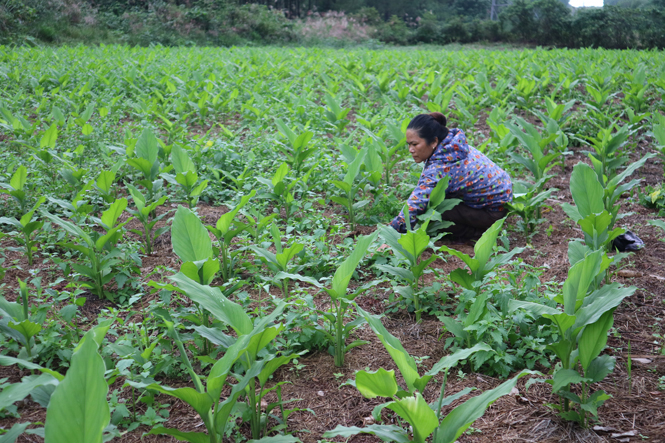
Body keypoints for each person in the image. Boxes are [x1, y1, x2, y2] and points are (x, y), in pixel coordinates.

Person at [389, 112, 512, 241]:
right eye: (408, 144)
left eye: (415, 144)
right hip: (499, 198)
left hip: (492, 212)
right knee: (436, 199)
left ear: (434, 141)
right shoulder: (452, 146)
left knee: (434, 213)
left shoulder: (443, 165)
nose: (410, 150)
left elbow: (418, 202)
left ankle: (478, 233)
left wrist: (392, 233)